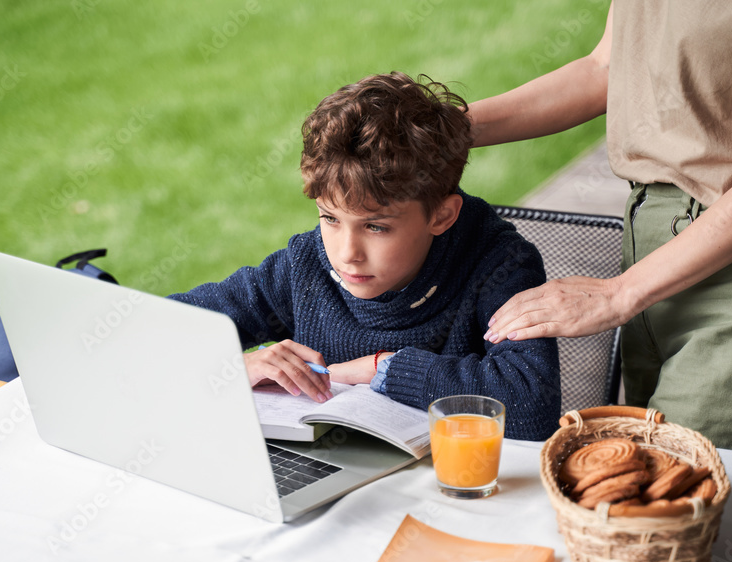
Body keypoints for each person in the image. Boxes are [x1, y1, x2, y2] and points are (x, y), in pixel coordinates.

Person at [469, 2, 732, 462]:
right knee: (649, 494)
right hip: (650, 255)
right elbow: (605, 68)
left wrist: (619, 294)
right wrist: (443, 128)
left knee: (678, 504)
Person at [169, 72, 561, 440]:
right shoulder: (305, 264)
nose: (345, 254)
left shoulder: (499, 264)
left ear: (442, 215)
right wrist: (234, 366)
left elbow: (531, 403)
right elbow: (151, 332)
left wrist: (382, 368)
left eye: (376, 227)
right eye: (330, 218)